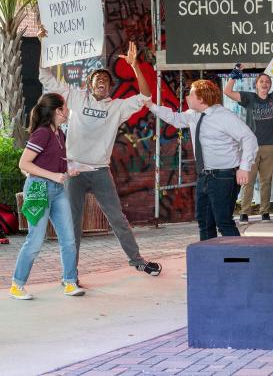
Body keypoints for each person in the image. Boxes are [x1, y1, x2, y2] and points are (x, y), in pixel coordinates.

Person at [37, 36, 162, 279]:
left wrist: (135, 66)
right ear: (90, 84)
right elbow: (45, 76)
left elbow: (146, 97)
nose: (101, 81)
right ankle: (70, 275)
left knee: (117, 219)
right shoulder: (75, 98)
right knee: (72, 225)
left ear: (109, 86)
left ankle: (137, 261)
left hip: (100, 172)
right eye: (97, 79)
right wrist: (43, 43)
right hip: (73, 171)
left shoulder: (117, 107)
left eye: (105, 79)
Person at [150, 80, 258, 240]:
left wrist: (244, 167)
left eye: (191, 94)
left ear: (201, 99)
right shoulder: (194, 115)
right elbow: (174, 118)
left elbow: (249, 138)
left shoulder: (224, 116)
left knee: (223, 222)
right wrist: (150, 105)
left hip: (224, 176)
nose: (187, 97)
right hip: (205, 176)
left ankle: (237, 261)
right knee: (205, 222)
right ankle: (208, 261)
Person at [8, 94, 84, 300]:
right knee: (35, 240)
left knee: (69, 239)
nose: (68, 110)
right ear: (58, 111)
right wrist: (54, 175)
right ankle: (17, 285)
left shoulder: (59, 133)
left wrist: (70, 168)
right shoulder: (42, 134)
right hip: (38, 191)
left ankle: (69, 282)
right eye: (65, 107)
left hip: (58, 191)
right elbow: (24, 164)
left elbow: (55, 161)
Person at [223, 65, 273, 224]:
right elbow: (227, 91)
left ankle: (265, 212)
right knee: (248, 181)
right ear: (256, 84)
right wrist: (236, 73)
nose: (265, 83)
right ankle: (245, 212)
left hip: (269, 146)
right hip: (251, 147)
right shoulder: (249, 98)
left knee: (266, 181)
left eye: (267, 81)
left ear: (270, 85)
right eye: (262, 81)